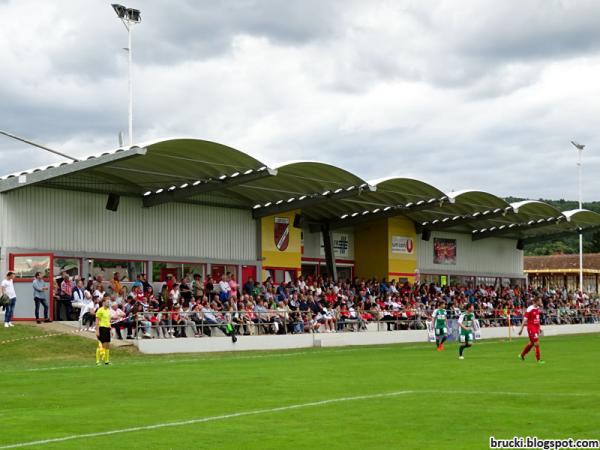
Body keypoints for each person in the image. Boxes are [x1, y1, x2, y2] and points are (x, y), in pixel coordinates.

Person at [519, 297, 545, 364]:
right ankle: (539, 360)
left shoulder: (538, 309)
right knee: (536, 343)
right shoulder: (530, 309)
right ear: (536, 302)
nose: (541, 302)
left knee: (531, 343)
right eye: (540, 301)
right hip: (531, 328)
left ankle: (522, 355)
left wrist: (540, 328)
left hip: (536, 328)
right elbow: (524, 320)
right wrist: (521, 329)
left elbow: (537, 320)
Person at [95, 298, 112, 366]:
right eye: (107, 302)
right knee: (101, 345)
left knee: (107, 345)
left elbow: (108, 320)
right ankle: (97, 361)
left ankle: (106, 361)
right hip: (102, 328)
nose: (108, 303)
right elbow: (97, 321)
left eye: (109, 302)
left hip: (107, 328)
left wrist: (110, 328)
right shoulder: (100, 310)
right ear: (103, 302)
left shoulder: (108, 310)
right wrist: (97, 331)